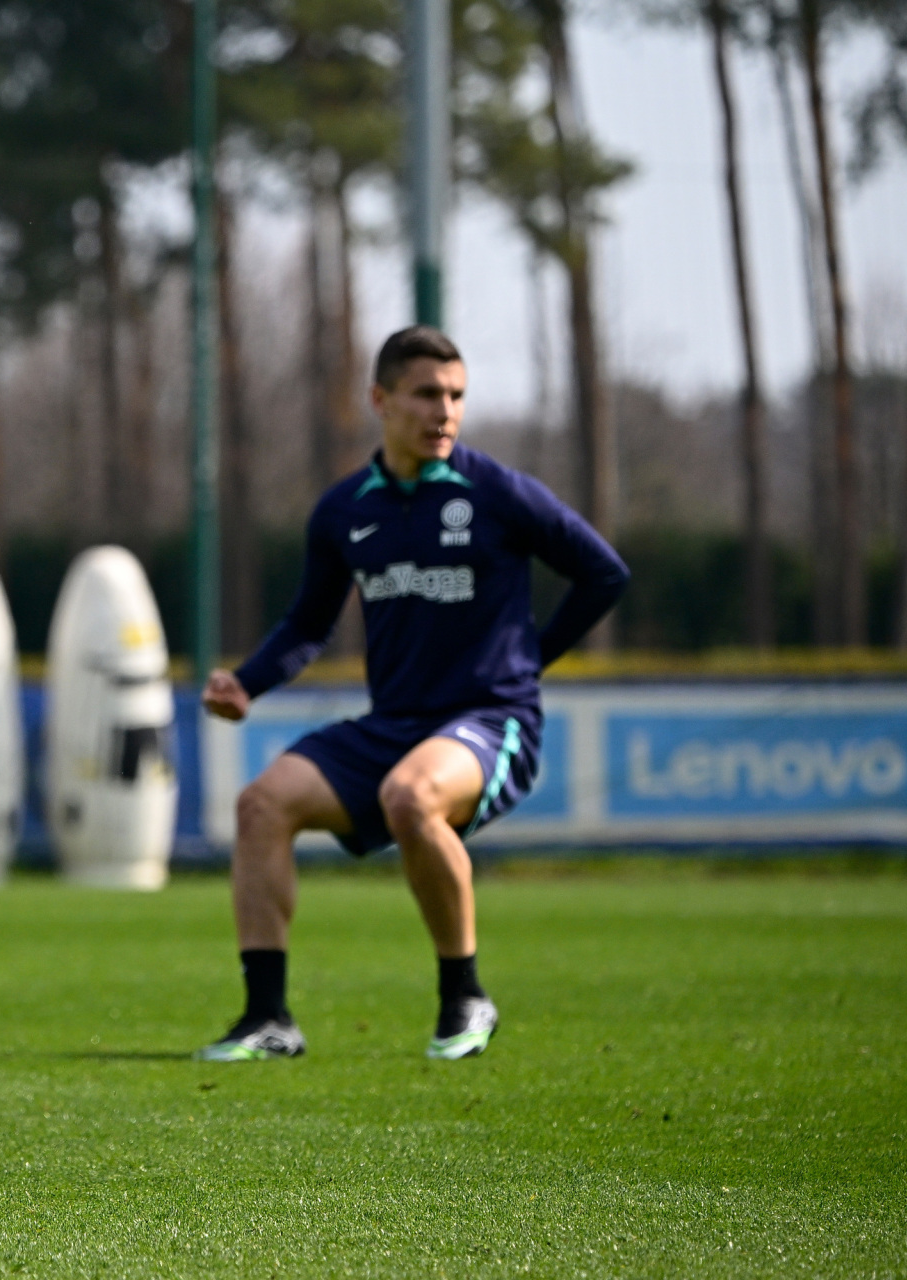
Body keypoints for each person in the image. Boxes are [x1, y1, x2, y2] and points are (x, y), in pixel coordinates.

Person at [196, 326, 628, 1064]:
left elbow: (603, 571)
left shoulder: (494, 492)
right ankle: (267, 1020)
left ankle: (464, 996)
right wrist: (249, 681)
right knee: (259, 804)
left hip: (490, 721)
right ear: (380, 399)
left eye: (456, 395)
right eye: (427, 393)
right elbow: (308, 622)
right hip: (392, 725)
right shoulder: (342, 511)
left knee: (410, 796)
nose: (445, 411)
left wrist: (530, 659)